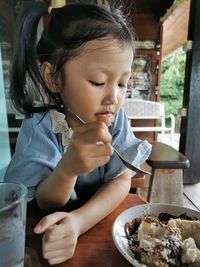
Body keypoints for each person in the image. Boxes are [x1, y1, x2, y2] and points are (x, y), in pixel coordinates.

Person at [5, 1, 151, 264]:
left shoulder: (116, 121)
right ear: (53, 78)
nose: (113, 98)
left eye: (122, 83)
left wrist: (79, 221)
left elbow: (120, 180)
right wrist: (67, 169)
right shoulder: (41, 126)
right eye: (98, 82)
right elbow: (44, 202)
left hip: (99, 227)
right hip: (46, 233)